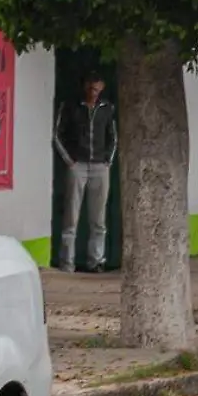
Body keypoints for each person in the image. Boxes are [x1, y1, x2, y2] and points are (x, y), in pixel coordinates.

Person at [52, 73, 118, 273]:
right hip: (78, 165)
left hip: (100, 166)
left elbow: (113, 137)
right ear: (85, 86)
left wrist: (108, 161)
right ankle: (67, 263)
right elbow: (57, 135)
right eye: (90, 86)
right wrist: (70, 161)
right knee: (71, 217)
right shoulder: (71, 106)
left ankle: (96, 261)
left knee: (98, 219)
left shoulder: (108, 109)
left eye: (96, 87)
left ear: (102, 86)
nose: (93, 91)